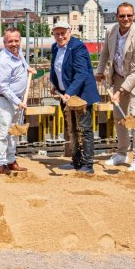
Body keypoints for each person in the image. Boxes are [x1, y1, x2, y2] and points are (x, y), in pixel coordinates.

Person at [95, 2, 135, 172]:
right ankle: (121, 153)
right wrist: (99, 71)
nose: (126, 19)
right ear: (116, 16)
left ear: (134, 16)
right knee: (119, 117)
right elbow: (105, 52)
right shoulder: (111, 31)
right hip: (119, 76)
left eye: (129, 15)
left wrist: (119, 92)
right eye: (122, 16)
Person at [50, 20, 100, 174]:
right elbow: (57, 69)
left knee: (84, 129)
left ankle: (88, 164)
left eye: (63, 33)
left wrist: (69, 92)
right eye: (57, 33)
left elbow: (81, 73)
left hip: (81, 96)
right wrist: (56, 86)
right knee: (71, 128)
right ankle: (76, 160)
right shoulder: (55, 48)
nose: (60, 36)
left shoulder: (77, 47)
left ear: (69, 32)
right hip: (66, 95)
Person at [0, 28, 36, 174]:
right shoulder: (2, 61)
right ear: (4, 43)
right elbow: (4, 87)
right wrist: (18, 102)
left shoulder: (18, 51)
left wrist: (28, 68)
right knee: (3, 133)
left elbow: (22, 60)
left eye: (16, 40)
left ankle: (11, 160)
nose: (14, 44)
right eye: (10, 41)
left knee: (13, 132)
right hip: (5, 101)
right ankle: (1, 163)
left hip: (17, 100)